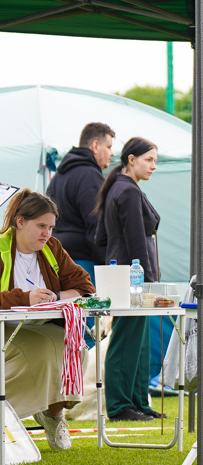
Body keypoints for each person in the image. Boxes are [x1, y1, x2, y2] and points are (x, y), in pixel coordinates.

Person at [0, 189, 95, 450]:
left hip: (41, 326)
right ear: (20, 222)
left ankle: (53, 416)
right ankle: (9, 416)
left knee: (75, 347)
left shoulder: (52, 248)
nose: (47, 233)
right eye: (41, 226)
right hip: (4, 329)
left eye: (51, 227)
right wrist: (24, 297)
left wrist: (55, 294)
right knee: (40, 349)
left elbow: (85, 286)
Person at [95, 137, 163, 422]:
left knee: (139, 341)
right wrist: (146, 281)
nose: (153, 166)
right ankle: (120, 405)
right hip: (133, 277)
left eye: (155, 161)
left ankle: (137, 402)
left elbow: (100, 239)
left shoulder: (117, 188)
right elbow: (136, 240)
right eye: (149, 160)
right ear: (131, 159)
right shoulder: (127, 191)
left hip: (123, 272)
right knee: (126, 340)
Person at [47, 122, 114, 348]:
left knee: (68, 325)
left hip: (58, 260)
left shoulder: (59, 175)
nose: (111, 153)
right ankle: (81, 381)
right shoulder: (89, 176)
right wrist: (107, 265)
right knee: (85, 328)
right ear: (95, 146)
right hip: (84, 265)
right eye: (108, 146)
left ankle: (67, 380)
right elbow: (97, 226)